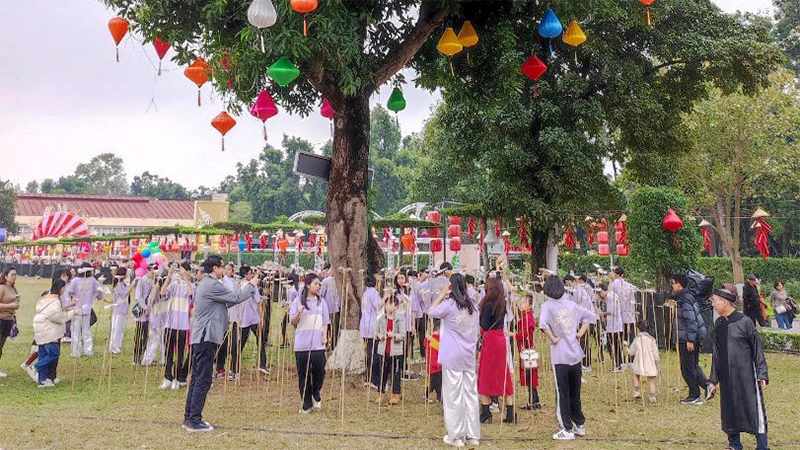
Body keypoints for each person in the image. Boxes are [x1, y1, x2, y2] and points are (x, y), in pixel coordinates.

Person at [183, 255, 259, 432]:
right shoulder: (212, 284)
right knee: (202, 379)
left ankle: (190, 417)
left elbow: (225, 304)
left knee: (197, 378)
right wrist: (252, 285)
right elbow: (236, 297)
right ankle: (194, 420)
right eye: (221, 267)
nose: (224, 270)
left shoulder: (207, 284)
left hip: (202, 337)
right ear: (215, 268)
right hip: (205, 336)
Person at [707, 284, 769, 450]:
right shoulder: (719, 323)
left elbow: (757, 349)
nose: (713, 304)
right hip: (728, 377)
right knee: (729, 410)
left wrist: (762, 373)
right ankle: (734, 444)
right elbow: (717, 353)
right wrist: (713, 380)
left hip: (747, 375)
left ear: (725, 302)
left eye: (715, 301)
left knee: (754, 410)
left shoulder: (745, 322)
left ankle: (762, 446)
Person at [538, 275, 598, 441]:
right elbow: (591, 316)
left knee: (562, 393)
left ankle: (567, 428)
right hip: (575, 354)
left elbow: (542, 325)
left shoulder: (547, 306)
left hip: (560, 356)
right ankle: (579, 424)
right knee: (575, 391)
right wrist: (580, 332)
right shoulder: (572, 305)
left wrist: (553, 338)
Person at [428, 273, 480, 448]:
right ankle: (473, 435)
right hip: (468, 356)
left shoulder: (449, 305)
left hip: (452, 356)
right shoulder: (473, 306)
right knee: (471, 395)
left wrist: (443, 294)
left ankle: (456, 435)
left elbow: (431, 311)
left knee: (453, 396)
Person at [290, 273, 329, 414]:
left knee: (320, 371)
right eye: (316, 284)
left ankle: (316, 393)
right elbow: (292, 322)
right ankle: (306, 404)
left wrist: (325, 336)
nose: (318, 286)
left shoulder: (321, 301)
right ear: (308, 285)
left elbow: (326, 322)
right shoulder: (298, 302)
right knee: (303, 375)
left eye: (319, 284)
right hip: (302, 344)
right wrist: (298, 313)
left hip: (318, 344)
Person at [477, 276, 515, 424]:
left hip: (491, 340)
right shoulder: (502, 304)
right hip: (501, 339)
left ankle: (486, 411)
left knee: (485, 374)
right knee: (502, 373)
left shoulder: (488, 305)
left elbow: (485, 325)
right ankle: (510, 412)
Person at [671, 273, 708, 405]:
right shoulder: (685, 297)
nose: (672, 286)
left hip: (688, 338)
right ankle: (708, 387)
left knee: (687, 368)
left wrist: (690, 340)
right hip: (691, 336)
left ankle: (694, 395)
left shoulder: (684, 299)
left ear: (679, 285)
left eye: (673, 283)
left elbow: (691, 320)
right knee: (693, 365)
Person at [33, 278, 76, 387]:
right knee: (53, 353)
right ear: (61, 288)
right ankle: (37, 366)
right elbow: (57, 317)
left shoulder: (45, 298)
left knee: (43, 353)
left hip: (40, 327)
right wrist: (72, 313)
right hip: (49, 330)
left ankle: (42, 381)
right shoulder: (55, 301)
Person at [160, 262, 194, 389]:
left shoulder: (190, 286)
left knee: (180, 353)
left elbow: (191, 294)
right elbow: (163, 292)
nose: (180, 272)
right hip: (170, 323)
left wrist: (186, 279)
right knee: (168, 352)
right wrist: (168, 278)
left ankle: (177, 377)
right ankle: (167, 377)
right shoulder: (173, 285)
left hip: (182, 325)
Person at [67, 264, 105, 358]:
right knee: (85, 330)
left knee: (77, 331)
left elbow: (69, 292)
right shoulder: (92, 280)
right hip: (83, 309)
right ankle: (87, 350)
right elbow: (100, 292)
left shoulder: (77, 280)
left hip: (79, 308)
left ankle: (76, 352)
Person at [374, 293, 405, 405]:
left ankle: (396, 394)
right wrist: (379, 335)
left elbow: (402, 335)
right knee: (382, 373)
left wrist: (394, 335)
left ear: (396, 307)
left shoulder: (399, 320)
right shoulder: (381, 319)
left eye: (391, 305)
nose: (388, 307)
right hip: (383, 350)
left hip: (395, 351)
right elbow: (375, 332)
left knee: (395, 373)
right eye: (387, 304)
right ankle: (381, 394)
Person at [515, 294, 540, 410]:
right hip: (527, 348)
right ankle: (534, 400)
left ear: (529, 306)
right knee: (530, 375)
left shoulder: (527, 318)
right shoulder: (525, 316)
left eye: (524, 303)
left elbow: (523, 335)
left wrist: (513, 335)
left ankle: (533, 401)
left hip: (528, 349)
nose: (521, 304)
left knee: (530, 375)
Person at [627, 320, 659, 404]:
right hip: (650, 361)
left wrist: (626, 349)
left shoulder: (637, 339)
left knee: (636, 375)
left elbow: (631, 352)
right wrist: (656, 362)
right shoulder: (652, 339)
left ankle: (636, 391)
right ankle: (652, 396)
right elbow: (655, 353)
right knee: (651, 379)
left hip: (639, 360)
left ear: (638, 329)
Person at [360, 274, 381, 389]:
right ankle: (374, 379)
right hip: (372, 325)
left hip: (365, 324)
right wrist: (386, 298)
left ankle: (368, 377)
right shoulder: (373, 293)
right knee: (374, 353)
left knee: (369, 351)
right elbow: (379, 306)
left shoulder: (365, 293)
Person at [133, 263, 157, 365]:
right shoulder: (142, 281)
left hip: (150, 312)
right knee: (139, 335)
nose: (154, 272)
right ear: (149, 270)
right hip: (142, 312)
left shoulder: (153, 281)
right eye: (153, 270)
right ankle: (136, 358)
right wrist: (145, 308)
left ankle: (144, 356)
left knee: (146, 335)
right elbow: (139, 297)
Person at [110, 267, 137, 354]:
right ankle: (115, 347)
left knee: (120, 329)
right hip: (119, 309)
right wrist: (132, 285)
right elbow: (124, 294)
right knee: (117, 329)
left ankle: (117, 346)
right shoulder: (118, 284)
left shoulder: (122, 284)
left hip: (123, 309)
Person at [599, 284, 624, 372]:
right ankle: (618, 364)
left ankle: (617, 365)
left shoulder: (611, 297)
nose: (600, 295)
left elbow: (613, 311)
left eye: (600, 292)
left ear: (604, 290)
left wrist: (604, 313)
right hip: (614, 325)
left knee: (612, 346)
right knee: (616, 346)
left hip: (614, 326)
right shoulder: (612, 296)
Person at [0, 267, 21, 377]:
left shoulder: (14, 289)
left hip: (8, 320)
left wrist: (15, 306)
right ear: (6, 276)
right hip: (1, 319)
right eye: (12, 274)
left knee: (1, 345)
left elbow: (15, 305)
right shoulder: (2, 288)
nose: (14, 277)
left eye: (15, 275)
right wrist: (10, 305)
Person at [319, 264, 341, 349]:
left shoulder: (325, 281)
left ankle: (326, 344)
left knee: (326, 326)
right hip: (335, 308)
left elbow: (321, 294)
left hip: (327, 308)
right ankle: (333, 345)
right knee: (334, 328)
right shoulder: (339, 281)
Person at [424, 318, 443, 403]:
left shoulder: (430, 338)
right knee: (436, 383)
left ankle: (438, 397)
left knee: (437, 382)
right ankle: (427, 394)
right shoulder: (437, 339)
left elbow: (425, 344)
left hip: (432, 365)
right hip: (436, 365)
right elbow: (440, 348)